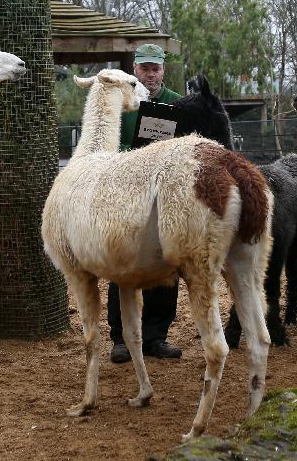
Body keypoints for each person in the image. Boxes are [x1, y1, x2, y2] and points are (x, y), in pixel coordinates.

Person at [108, 43, 183, 363]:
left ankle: (156, 335)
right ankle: (122, 337)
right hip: (127, 193)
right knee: (123, 263)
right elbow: (109, 141)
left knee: (166, 263)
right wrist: (133, 154)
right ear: (134, 69)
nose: (150, 74)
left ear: (163, 70)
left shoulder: (179, 103)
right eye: (144, 68)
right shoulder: (121, 99)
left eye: (156, 68)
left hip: (165, 196)